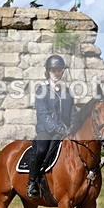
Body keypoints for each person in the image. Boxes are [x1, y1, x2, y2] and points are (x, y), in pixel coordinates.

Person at [27, 55, 78, 198]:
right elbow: (43, 115)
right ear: (48, 71)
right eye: (53, 70)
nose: (56, 73)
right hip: (46, 130)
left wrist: (75, 123)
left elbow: (73, 111)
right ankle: (33, 182)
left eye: (59, 70)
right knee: (42, 148)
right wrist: (57, 128)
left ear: (62, 71)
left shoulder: (67, 92)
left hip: (65, 131)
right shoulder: (41, 91)